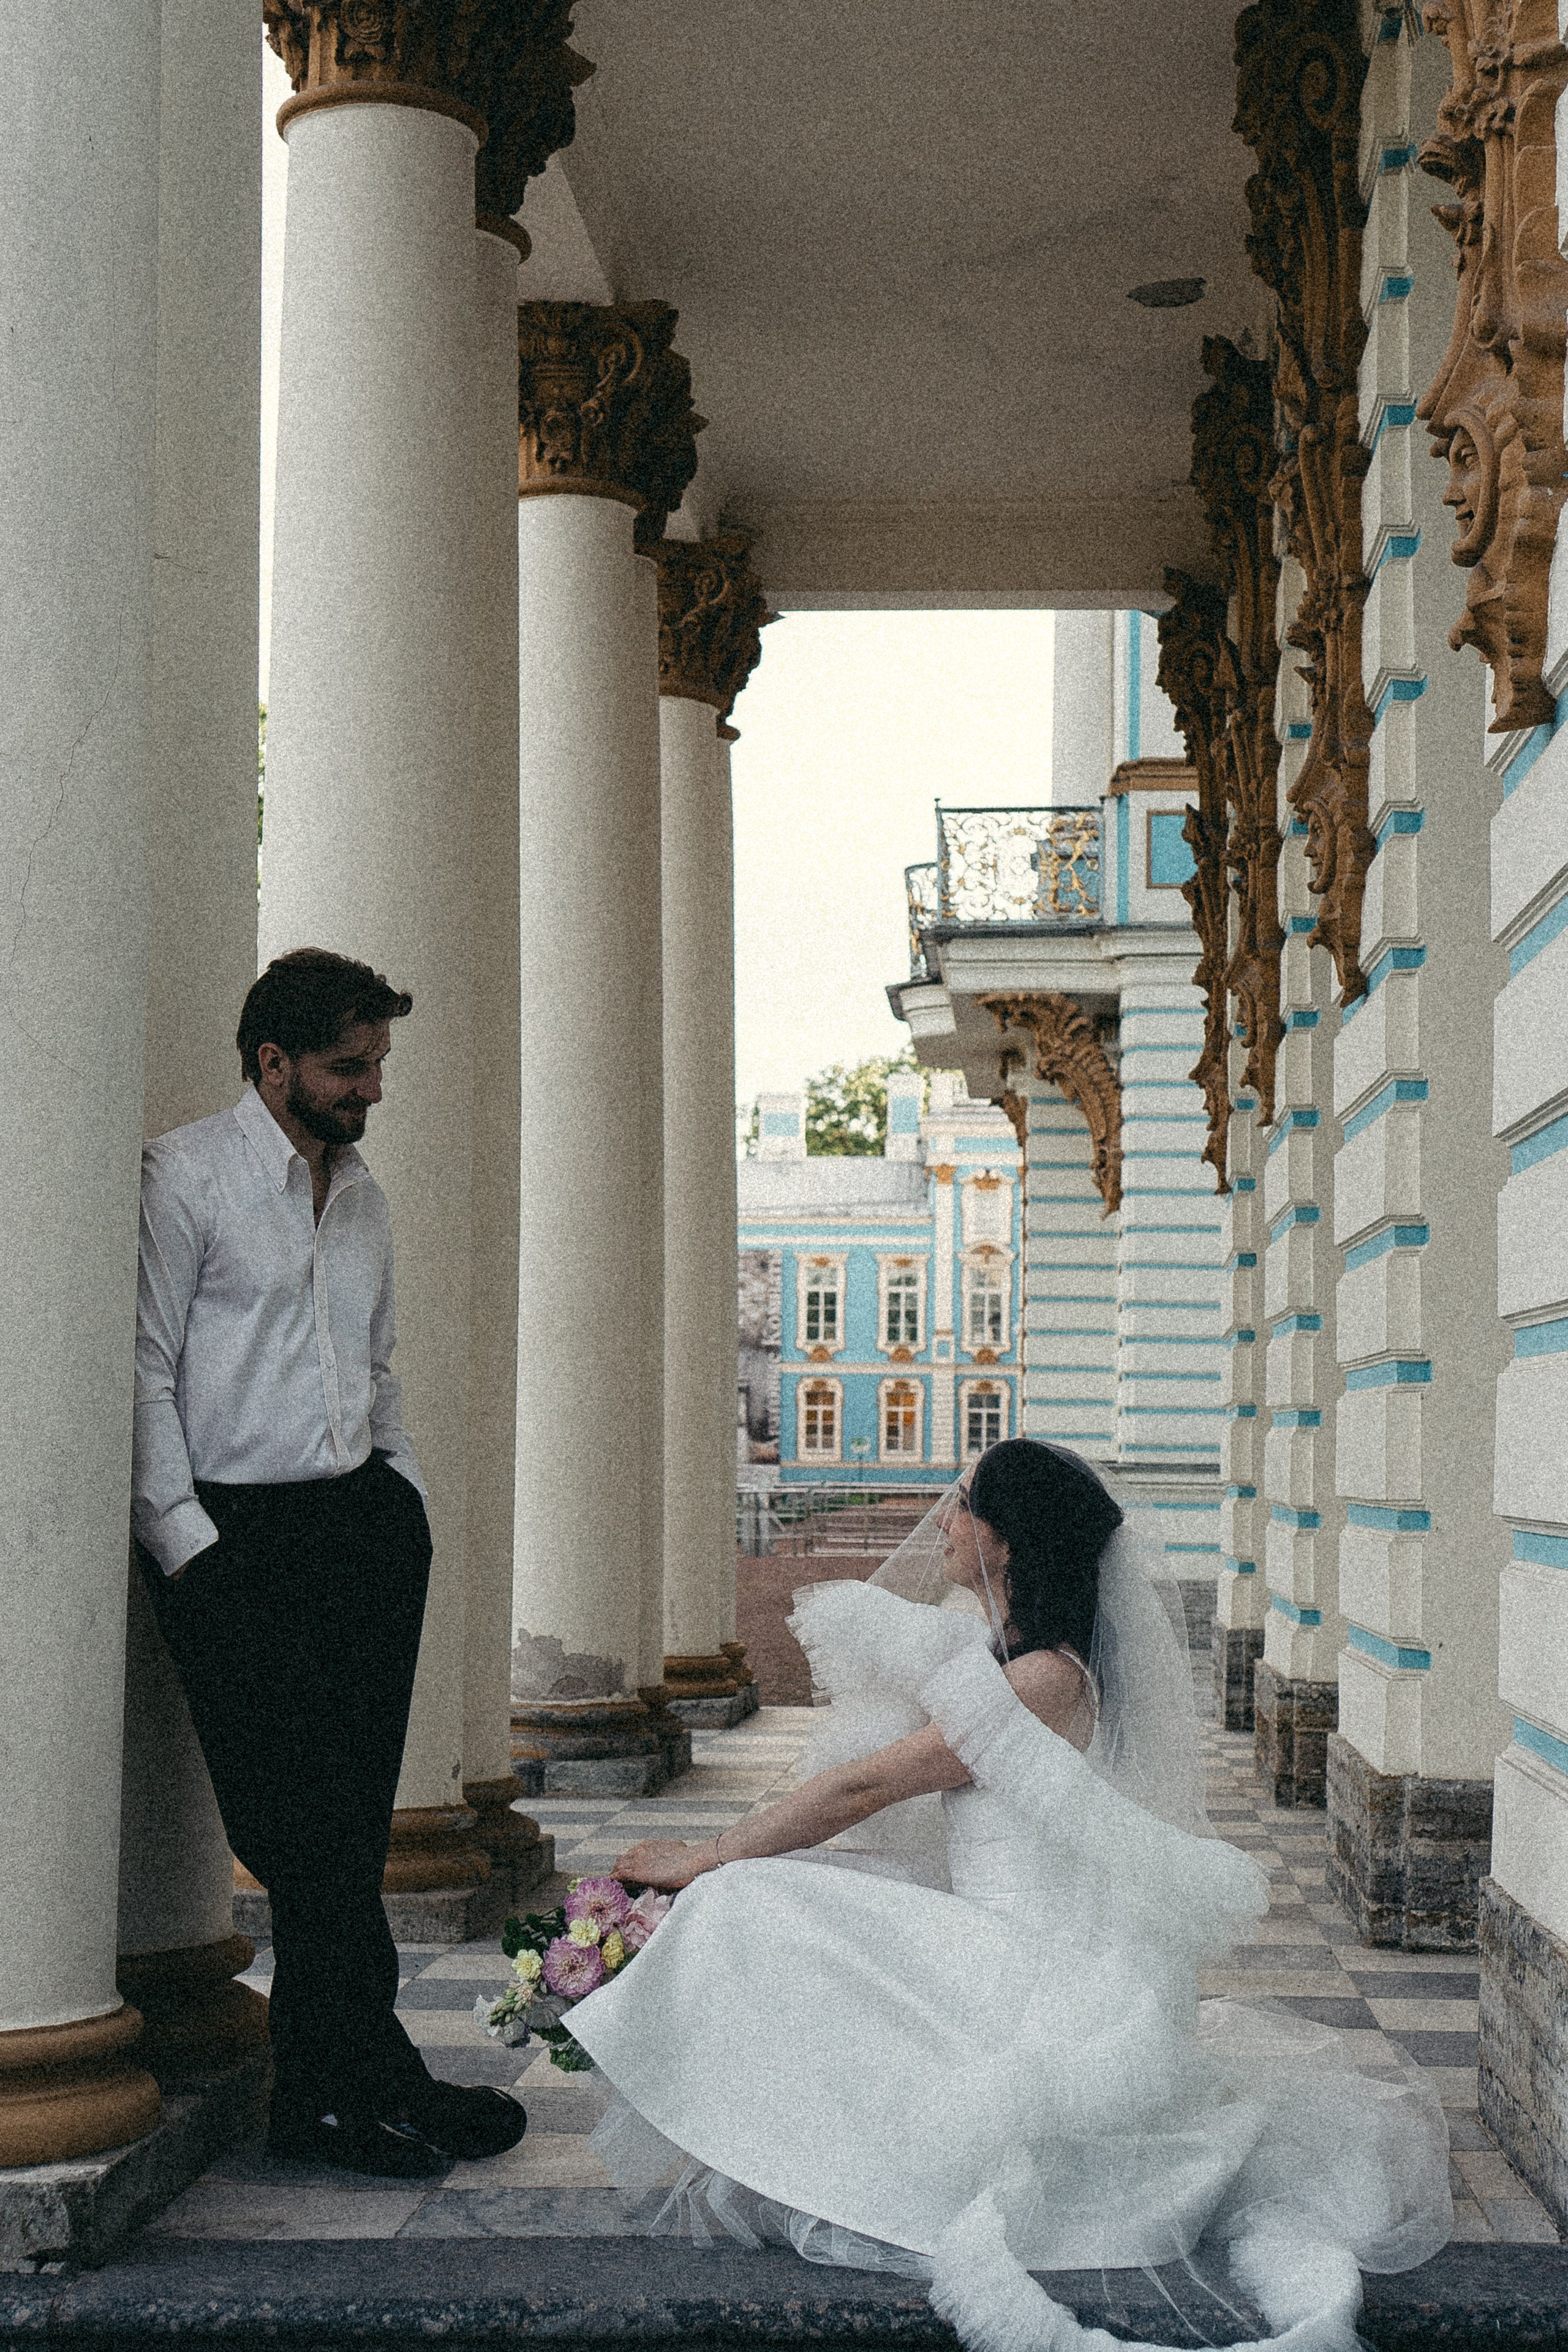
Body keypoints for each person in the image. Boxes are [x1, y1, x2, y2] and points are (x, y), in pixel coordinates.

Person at [567, 1440, 1451, 2352]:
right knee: (785, 1897)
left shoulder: (1038, 1680)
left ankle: (809, 2152)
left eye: (960, 1504)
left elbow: (864, 1790)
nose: (942, 1523)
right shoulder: (1012, 1659)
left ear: (1009, 1540)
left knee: (742, 1902)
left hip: (1027, 1966)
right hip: (995, 1936)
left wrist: (704, 1853)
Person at [131, 946, 525, 2179]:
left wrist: (396, 1491)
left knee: (347, 1836)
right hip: (233, 1546)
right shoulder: (184, 1178)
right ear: (274, 1064)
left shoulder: (362, 1197)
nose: (371, 1090)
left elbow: (376, 1363)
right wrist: (187, 1545)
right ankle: (351, 2087)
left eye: (377, 1065)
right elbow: (141, 1369)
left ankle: (347, 2089)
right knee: (298, 1836)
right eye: (349, 1068)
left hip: (355, 1532)